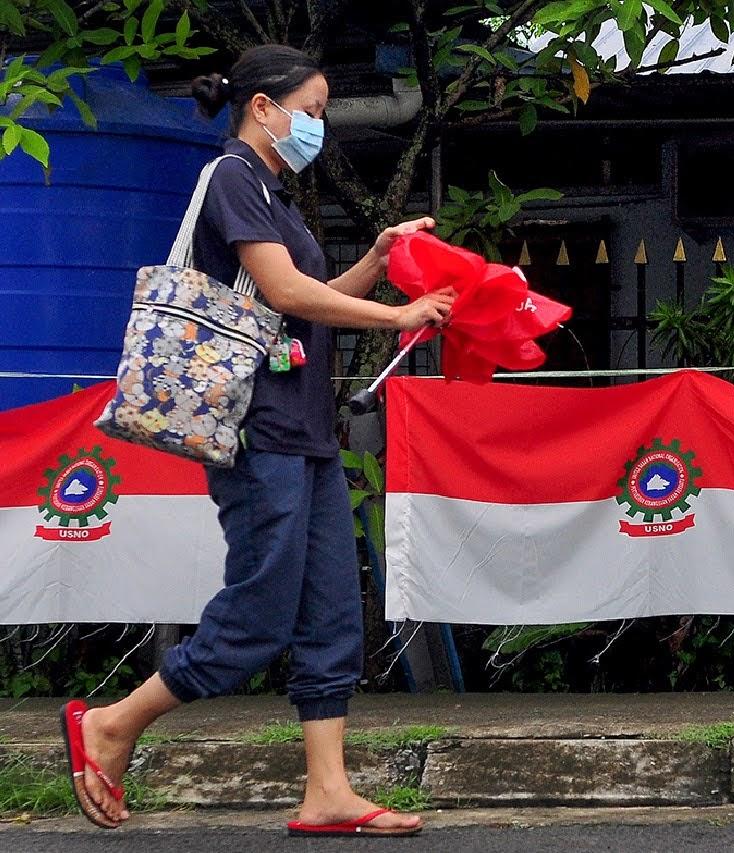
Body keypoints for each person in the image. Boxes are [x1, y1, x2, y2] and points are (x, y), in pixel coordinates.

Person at [59, 45, 452, 835]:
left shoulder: (273, 193)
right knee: (261, 612)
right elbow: (282, 289)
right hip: (257, 430)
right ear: (263, 108)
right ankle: (112, 722)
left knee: (331, 613)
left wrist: (377, 260)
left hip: (303, 432)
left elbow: (304, 302)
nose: (319, 125)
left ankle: (328, 791)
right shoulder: (233, 175)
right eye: (311, 110)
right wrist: (398, 314)